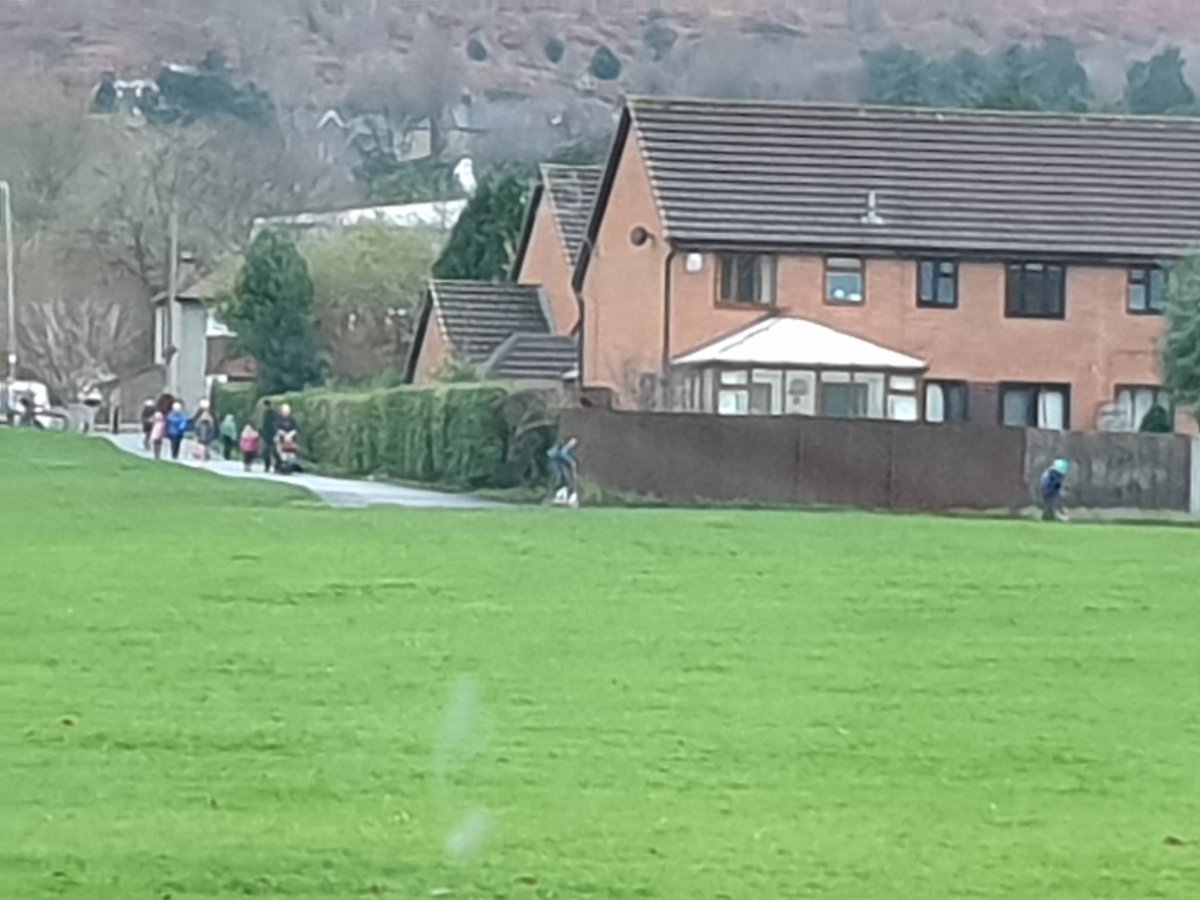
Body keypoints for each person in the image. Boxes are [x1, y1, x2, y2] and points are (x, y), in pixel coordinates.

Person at [547, 437, 579, 507]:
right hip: (557, 465)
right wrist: (571, 461)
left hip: (558, 464)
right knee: (564, 478)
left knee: (563, 478)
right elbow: (563, 454)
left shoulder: (566, 448)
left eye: (574, 442)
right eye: (573, 442)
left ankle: (562, 495)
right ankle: (562, 495)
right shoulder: (566, 448)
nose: (573, 444)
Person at [274, 403, 300, 474]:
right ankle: (282, 466)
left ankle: (289, 467)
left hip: (291, 439)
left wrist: (290, 434)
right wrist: (283, 433)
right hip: (281, 438)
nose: (286, 412)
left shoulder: (292, 419)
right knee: (282, 453)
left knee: (291, 455)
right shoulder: (278, 419)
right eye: (284, 411)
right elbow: (276, 428)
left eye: (287, 411)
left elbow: (296, 428)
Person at [260, 400, 279, 473]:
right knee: (266, 452)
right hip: (266, 435)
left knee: (274, 451)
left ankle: (276, 466)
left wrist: (276, 434)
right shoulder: (266, 414)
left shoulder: (272, 414)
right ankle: (267, 466)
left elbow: (274, 425)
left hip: (272, 435)